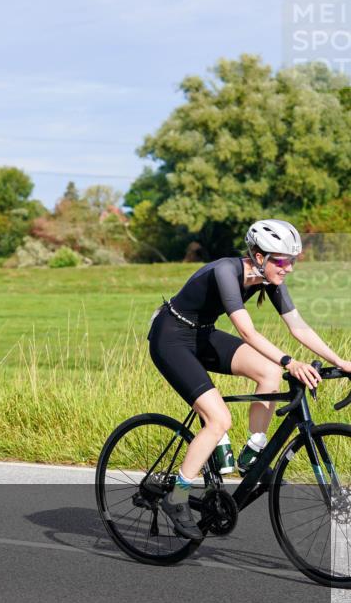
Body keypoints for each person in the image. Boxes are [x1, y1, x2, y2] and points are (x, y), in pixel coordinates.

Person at [148, 219, 351, 539]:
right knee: (219, 419)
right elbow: (247, 332)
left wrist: (340, 362)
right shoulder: (225, 272)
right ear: (259, 256)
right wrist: (290, 362)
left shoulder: (269, 279)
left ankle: (252, 453)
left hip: (202, 335)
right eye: (282, 261)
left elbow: (298, 327)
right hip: (170, 338)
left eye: (292, 261)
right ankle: (177, 496)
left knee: (269, 372)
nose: (289, 268)